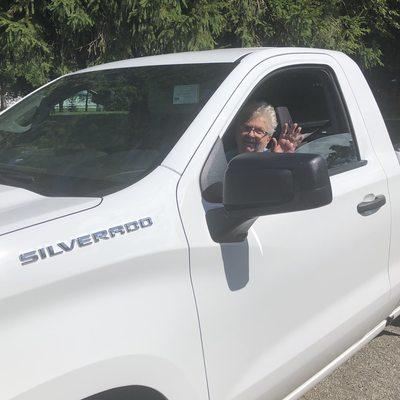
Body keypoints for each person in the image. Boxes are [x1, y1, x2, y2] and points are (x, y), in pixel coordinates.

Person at [234, 102, 303, 155]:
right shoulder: (224, 159)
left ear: (268, 139)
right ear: (237, 132)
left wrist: (277, 161)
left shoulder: (272, 157)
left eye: (259, 131)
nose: (251, 134)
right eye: (247, 128)